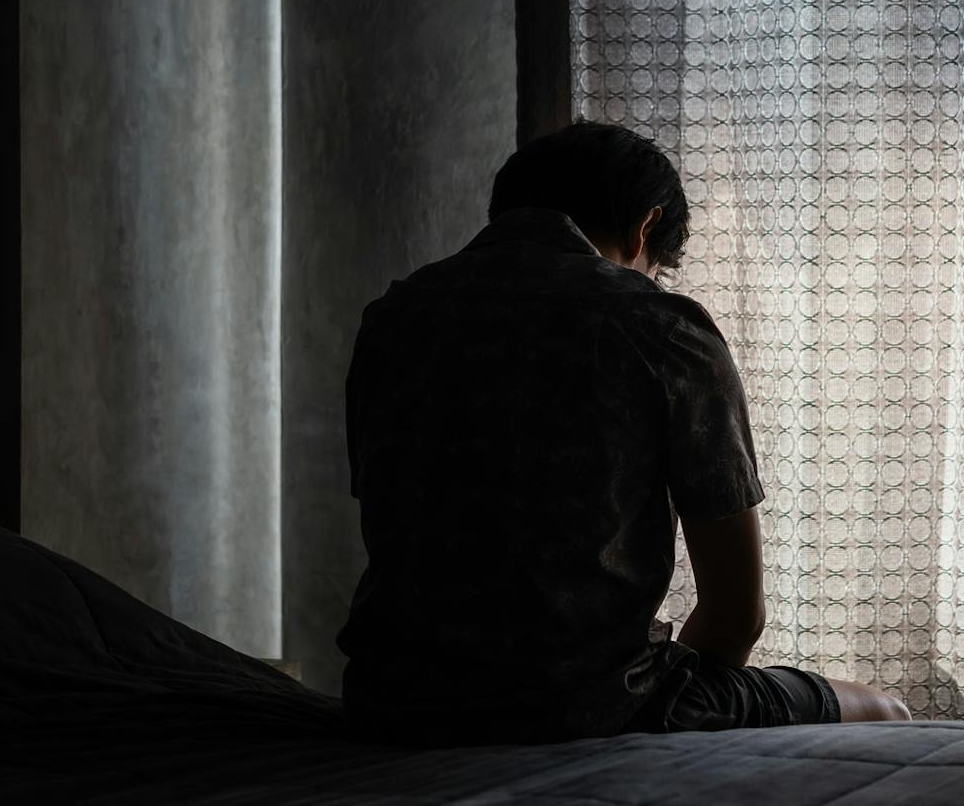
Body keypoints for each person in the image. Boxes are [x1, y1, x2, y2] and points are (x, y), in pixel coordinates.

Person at [337, 121, 911, 745]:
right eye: (655, 268)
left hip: (390, 702)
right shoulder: (658, 325)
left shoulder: (392, 319)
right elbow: (735, 617)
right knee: (888, 714)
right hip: (583, 708)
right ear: (645, 227)